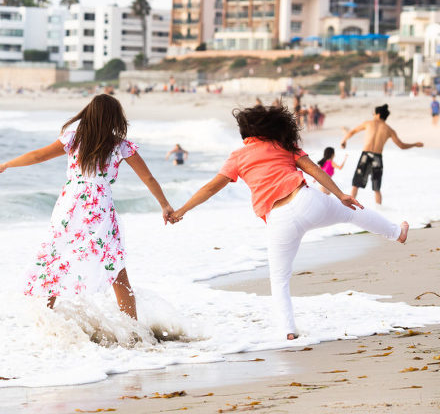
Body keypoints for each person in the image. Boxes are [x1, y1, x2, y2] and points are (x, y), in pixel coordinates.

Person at [168, 105, 408, 340]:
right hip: (306, 201)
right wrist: (340, 194)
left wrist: (181, 210)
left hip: (279, 220)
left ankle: (288, 330)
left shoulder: (237, 157)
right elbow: (313, 170)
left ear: (245, 133)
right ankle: (397, 233)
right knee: (353, 213)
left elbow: (211, 188)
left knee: (279, 278)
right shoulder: (283, 144)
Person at [0, 94, 174, 320]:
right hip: (100, 208)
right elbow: (149, 179)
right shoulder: (122, 146)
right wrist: (164, 205)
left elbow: (38, 156)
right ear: (116, 118)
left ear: (89, 114)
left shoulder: (73, 139)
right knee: (115, 268)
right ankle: (133, 331)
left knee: (55, 257)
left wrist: (6, 164)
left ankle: (47, 324)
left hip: (70, 205)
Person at [341, 104, 423, 205]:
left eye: (374, 114)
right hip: (377, 158)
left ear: (378, 114)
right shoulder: (389, 130)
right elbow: (401, 145)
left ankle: (349, 206)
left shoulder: (368, 123)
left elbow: (352, 132)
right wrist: (415, 144)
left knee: (355, 185)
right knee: (377, 188)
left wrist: (344, 140)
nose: (373, 115)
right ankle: (380, 211)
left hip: (365, 156)